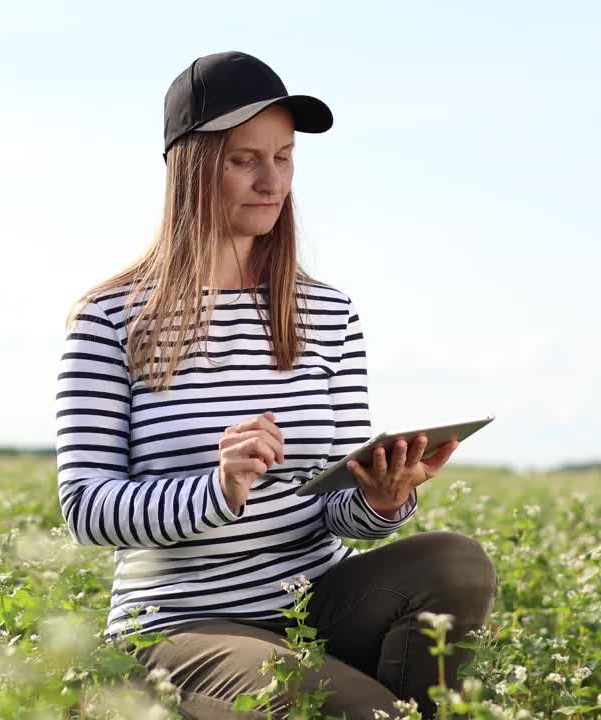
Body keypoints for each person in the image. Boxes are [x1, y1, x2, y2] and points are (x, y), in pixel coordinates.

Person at [54, 50, 498, 719]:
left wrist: (382, 497)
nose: (271, 181)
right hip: (182, 627)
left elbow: (336, 501)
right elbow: (86, 510)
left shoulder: (328, 312)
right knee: (368, 713)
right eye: (245, 159)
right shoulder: (111, 319)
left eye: (283, 157)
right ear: (190, 165)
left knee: (455, 562)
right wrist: (218, 488)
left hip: (312, 606)